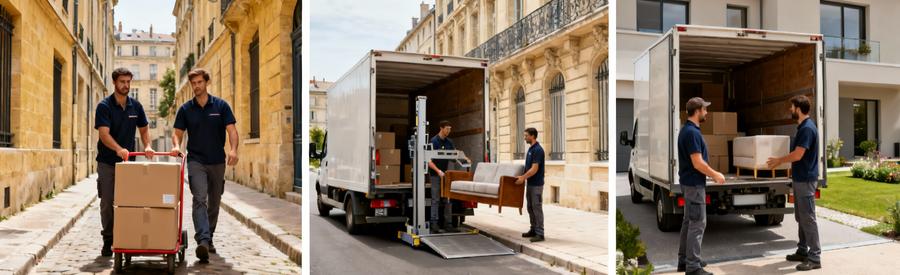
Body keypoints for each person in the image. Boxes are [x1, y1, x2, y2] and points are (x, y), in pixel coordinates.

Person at [172, 68, 239, 262]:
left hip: (217, 160)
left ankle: (208, 237)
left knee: (214, 202)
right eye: (193, 83)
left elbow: (232, 131)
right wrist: (176, 146)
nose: (196, 86)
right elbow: (177, 133)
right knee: (200, 198)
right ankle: (202, 239)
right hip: (196, 160)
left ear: (206, 82)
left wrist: (233, 150)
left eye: (199, 82)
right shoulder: (185, 109)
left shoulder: (221, 106)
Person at [94, 67, 154, 257]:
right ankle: (108, 239)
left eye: (128, 82)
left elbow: (144, 129)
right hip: (107, 162)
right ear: (114, 82)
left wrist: (148, 146)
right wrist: (119, 149)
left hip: (129, 164)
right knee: (108, 202)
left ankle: (127, 238)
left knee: (129, 202)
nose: (126, 85)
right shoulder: (104, 106)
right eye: (122, 82)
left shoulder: (136, 106)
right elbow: (104, 134)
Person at [767, 95, 821, 271]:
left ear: (798, 108)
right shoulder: (803, 127)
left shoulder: (807, 129)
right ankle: (802, 251)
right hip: (800, 179)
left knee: (808, 218)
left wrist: (778, 161)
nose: (790, 110)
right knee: (801, 217)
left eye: (792, 107)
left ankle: (814, 258)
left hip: (805, 180)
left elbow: (798, 155)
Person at [676, 97, 725, 275]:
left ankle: (685, 261)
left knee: (689, 223)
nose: (706, 112)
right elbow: (697, 163)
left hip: (689, 184)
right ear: (697, 111)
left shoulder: (687, 130)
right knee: (698, 224)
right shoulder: (692, 133)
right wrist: (716, 174)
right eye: (705, 109)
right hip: (694, 185)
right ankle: (693, 266)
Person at [427, 120, 469, 233]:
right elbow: (428, 161)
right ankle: (434, 224)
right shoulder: (433, 141)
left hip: (446, 175)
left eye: (450, 129)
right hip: (435, 175)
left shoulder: (449, 142)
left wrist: (464, 158)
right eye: (447, 128)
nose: (449, 131)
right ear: (441, 128)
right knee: (435, 199)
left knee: (448, 199)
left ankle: (448, 224)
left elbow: (454, 154)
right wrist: (438, 171)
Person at [516, 127, 546, 242]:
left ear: (532, 136)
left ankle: (540, 233)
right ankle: (533, 229)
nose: (524, 138)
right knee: (530, 207)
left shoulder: (538, 150)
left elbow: (534, 169)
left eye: (526, 136)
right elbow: (528, 168)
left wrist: (523, 178)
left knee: (536, 208)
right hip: (530, 184)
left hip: (537, 185)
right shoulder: (530, 149)